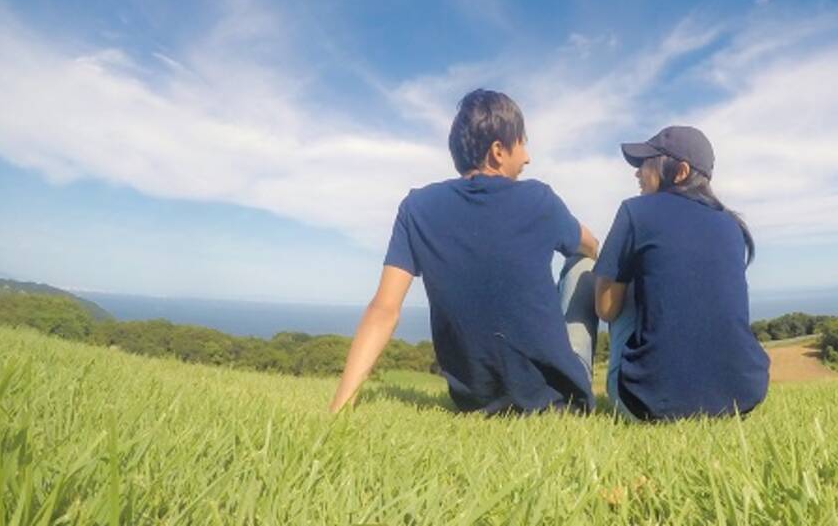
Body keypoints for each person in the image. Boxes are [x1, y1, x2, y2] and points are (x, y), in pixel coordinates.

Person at [329, 89, 600, 414]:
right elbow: (592, 244)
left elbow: (384, 310)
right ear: (498, 151)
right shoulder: (540, 199)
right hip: (559, 401)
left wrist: (339, 408)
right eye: (522, 143)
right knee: (583, 263)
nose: (527, 157)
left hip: (476, 403)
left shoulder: (417, 208)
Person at [594, 125, 769, 421]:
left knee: (620, 277)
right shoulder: (732, 226)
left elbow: (607, 309)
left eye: (645, 164)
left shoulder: (635, 212)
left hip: (646, 404)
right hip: (741, 398)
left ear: (680, 171)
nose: (637, 173)